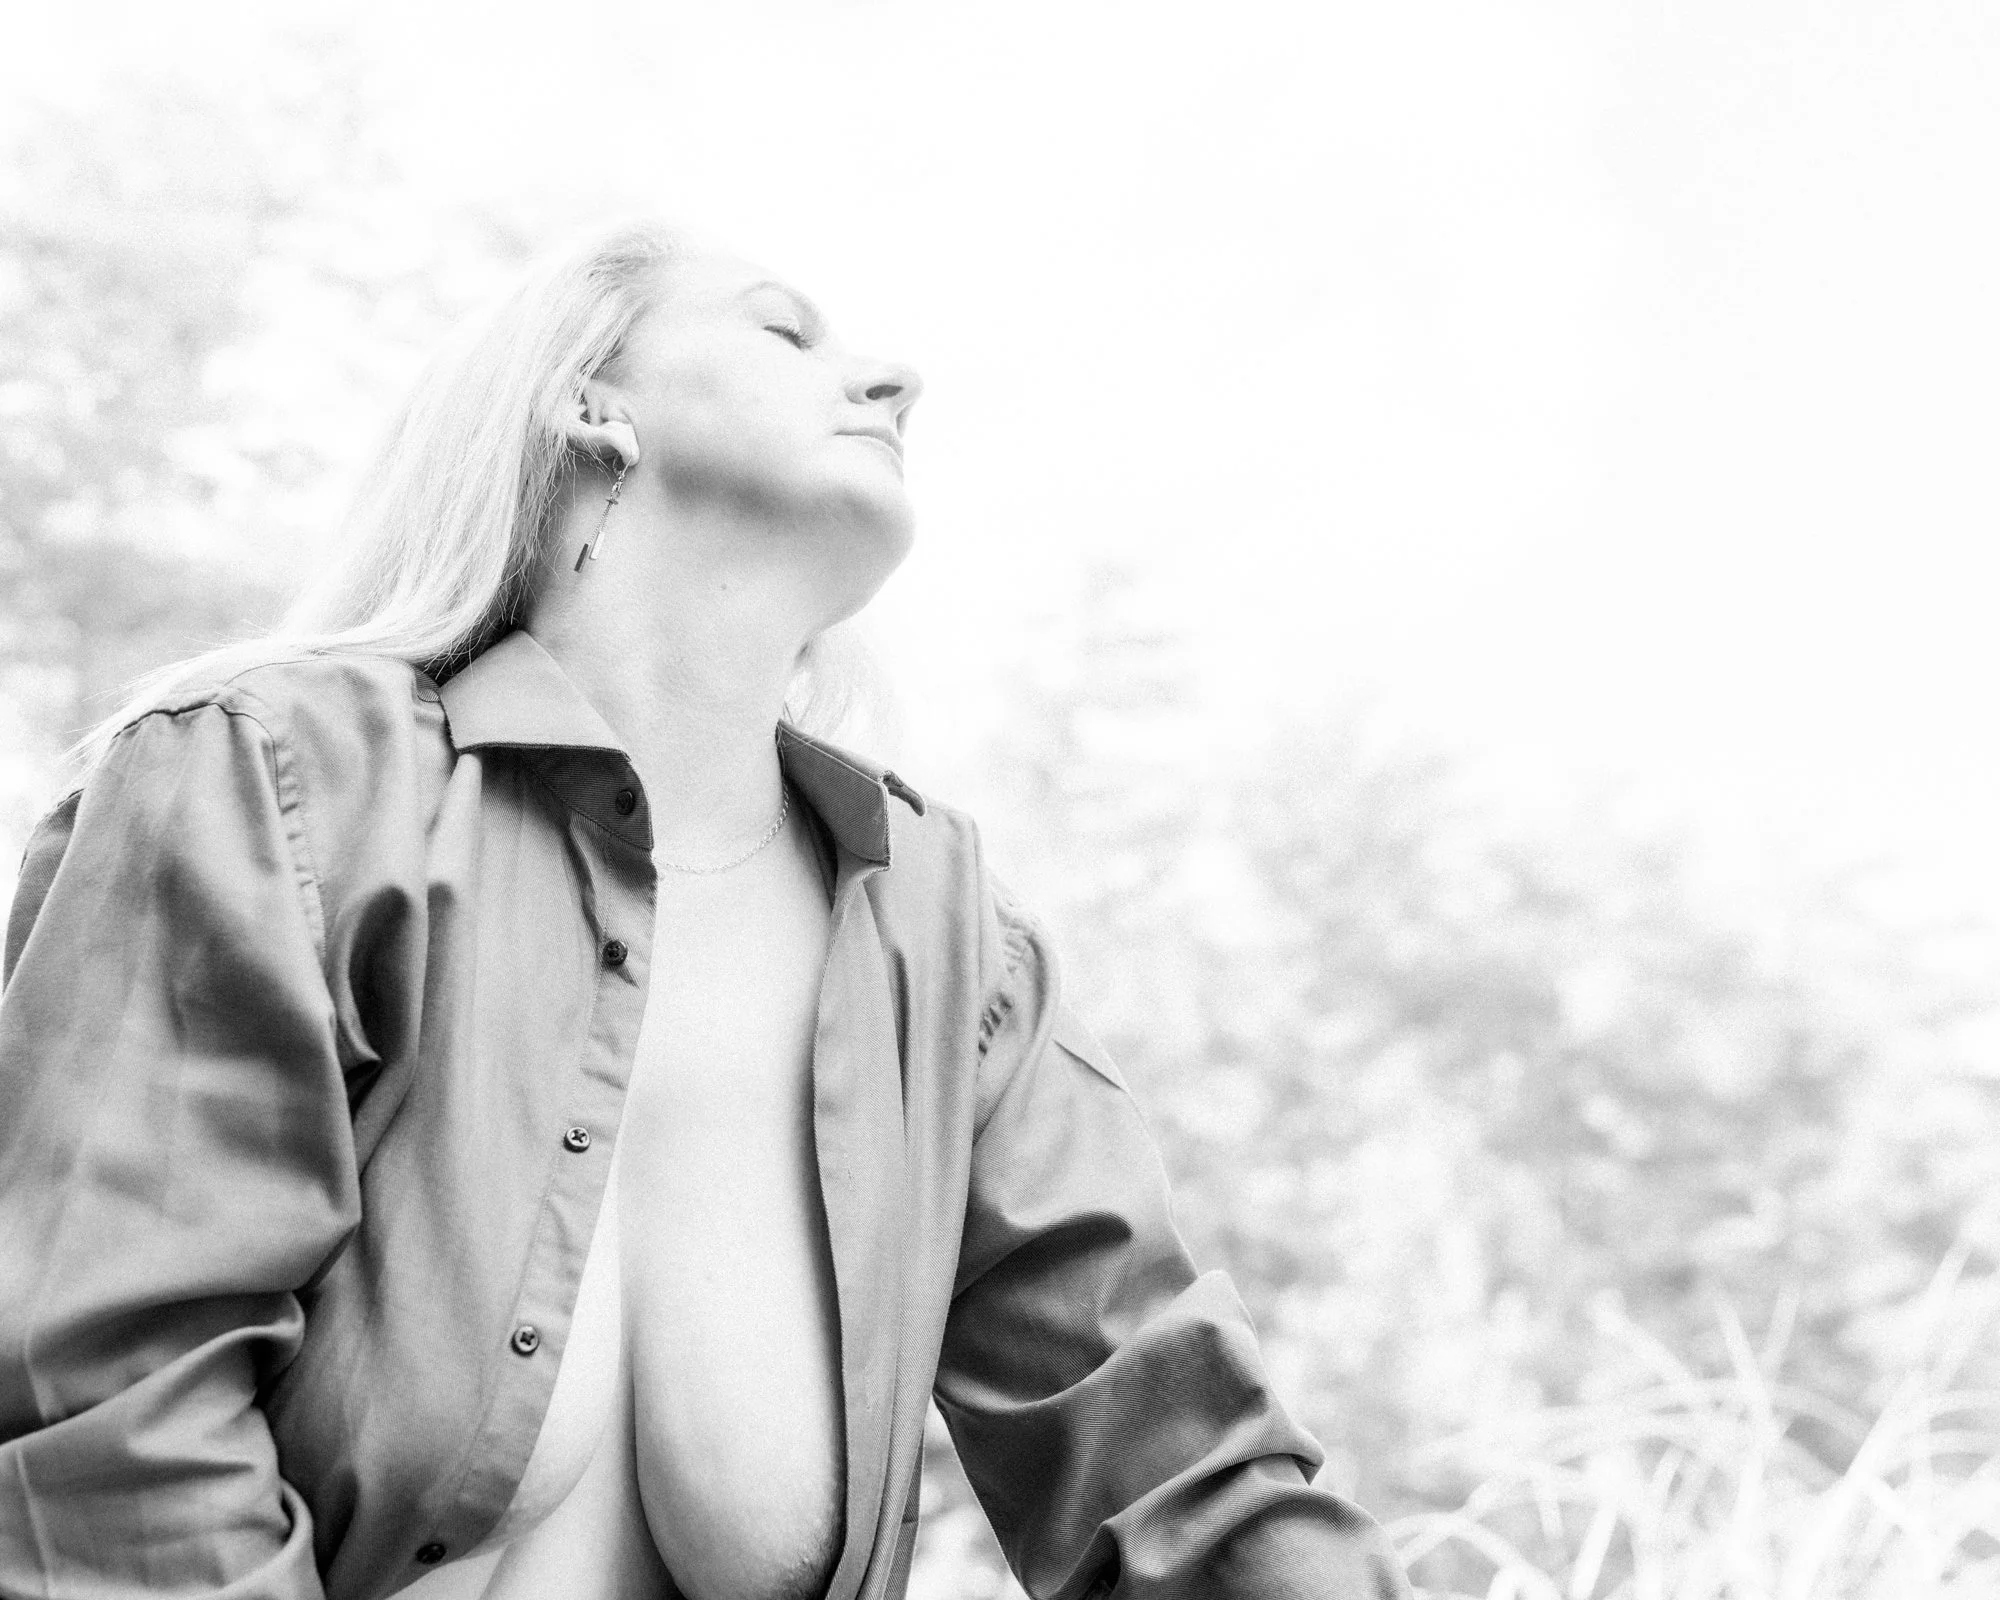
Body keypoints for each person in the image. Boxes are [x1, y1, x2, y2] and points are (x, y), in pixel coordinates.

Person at [0, 220, 1412, 1600]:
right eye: (783, 328)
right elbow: (103, 1419)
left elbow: (1174, 1473)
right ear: (589, 404)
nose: (893, 379)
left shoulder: (949, 938)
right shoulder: (276, 777)